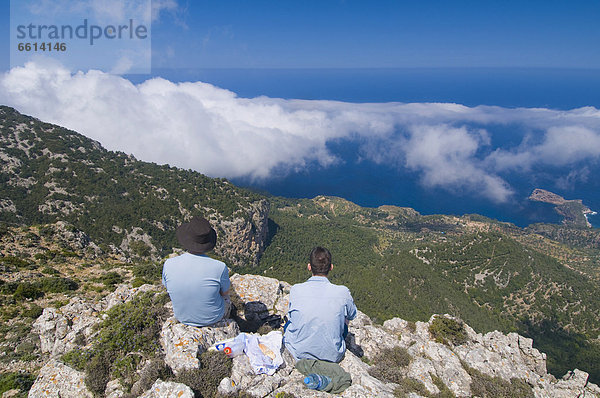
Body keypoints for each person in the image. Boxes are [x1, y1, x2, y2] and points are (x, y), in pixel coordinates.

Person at [283, 247, 357, 363]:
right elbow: (352, 315)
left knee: (288, 324)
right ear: (331, 267)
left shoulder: (296, 289)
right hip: (332, 355)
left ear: (309, 267)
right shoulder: (343, 292)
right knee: (345, 316)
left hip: (298, 351)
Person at [162, 216, 231, 327]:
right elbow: (225, 293)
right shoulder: (220, 267)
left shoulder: (168, 264)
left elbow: (167, 287)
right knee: (227, 298)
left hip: (182, 317)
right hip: (213, 318)